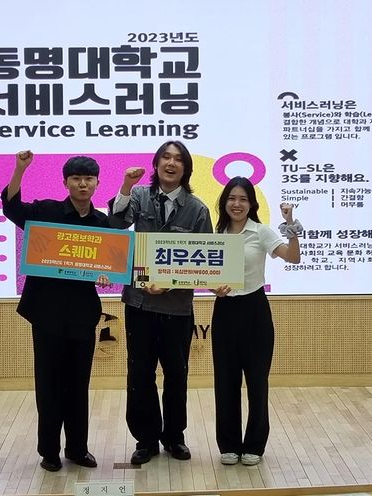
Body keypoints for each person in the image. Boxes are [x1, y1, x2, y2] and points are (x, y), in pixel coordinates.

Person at [1, 150, 109, 473]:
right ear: (65, 182)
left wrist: (106, 273)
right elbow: (12, 207)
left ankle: (77, 448)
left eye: (88, 179)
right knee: (48, 384)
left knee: (78, 385)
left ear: (97, 183)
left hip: (82, 314)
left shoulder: (101, 222)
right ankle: (49, 451)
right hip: (47, 313)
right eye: (76, 178)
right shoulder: (46, 211)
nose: (82, 184)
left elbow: (109, 264)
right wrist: (20, 169)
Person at [108, 140, 213, 465]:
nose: (171, 163)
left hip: (177, 308)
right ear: (156, 164)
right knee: (139, 374)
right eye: (165, 157)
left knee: (177, 375)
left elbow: (206, 261)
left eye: (178, 159)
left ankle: (174, 437)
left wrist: (170, 282)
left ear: (186, 168)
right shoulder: (139, 195)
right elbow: (117, 223)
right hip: (139, 303)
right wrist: (126, 185)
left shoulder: (197, 209)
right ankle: (146, 439)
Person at [210, 176, 302, 467]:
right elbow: (207, 274)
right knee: (225, 381)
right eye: (232, 198)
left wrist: (291, 225)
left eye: (243, 199)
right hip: (225, 309)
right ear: (224, 202)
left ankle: (254, 445)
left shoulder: (261, 232)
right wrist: (213, 288)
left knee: (257, 381)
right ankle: (228, 445)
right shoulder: (216, 234)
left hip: (255, 310)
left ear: (251, 204)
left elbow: (293, 258)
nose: (236, 204)